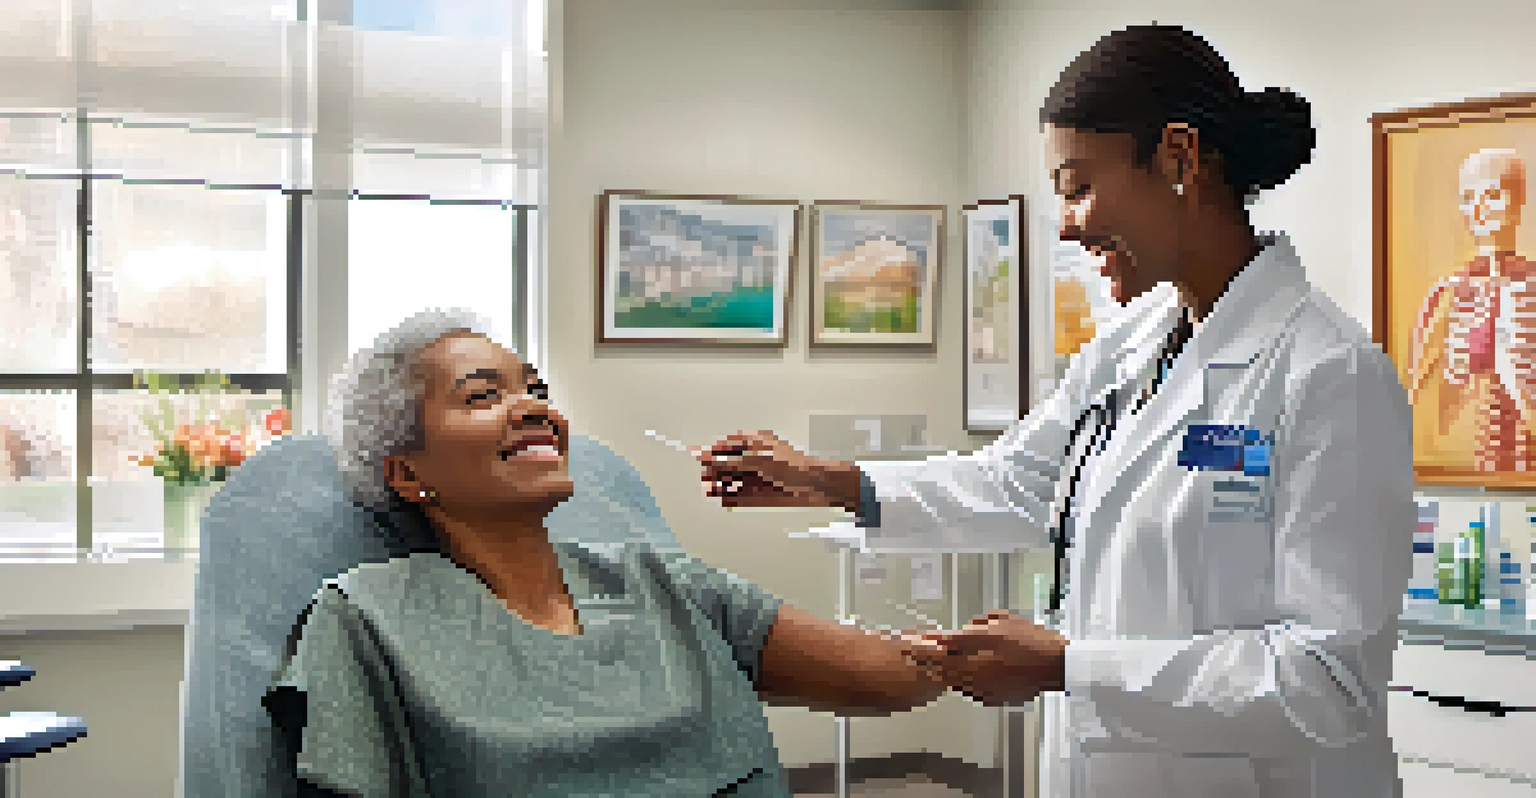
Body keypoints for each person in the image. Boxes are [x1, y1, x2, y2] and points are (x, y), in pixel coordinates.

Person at [699, 24, 1413, 798]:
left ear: (1178, 157)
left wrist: (1070, 666)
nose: (1067, 224)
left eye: (1077, 187)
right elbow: (1019, 480)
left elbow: (1329, 680)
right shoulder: (1132, 343)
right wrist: (836, 482)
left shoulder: (1330, 374)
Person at [263, 309, 948, 798]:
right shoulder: (365, 620)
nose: (534, 409)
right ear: (407, 474)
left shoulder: (665, 584)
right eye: (481, 396)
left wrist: (1031, 645)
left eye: (536, 390)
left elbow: (885, 676)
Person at [1409, 148, 1536, 472]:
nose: (1478, 210)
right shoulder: (1445, 294)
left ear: (1518, 203)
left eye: (1492, 195)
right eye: (1467, 197)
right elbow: (1419, 407)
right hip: (1467, 468)